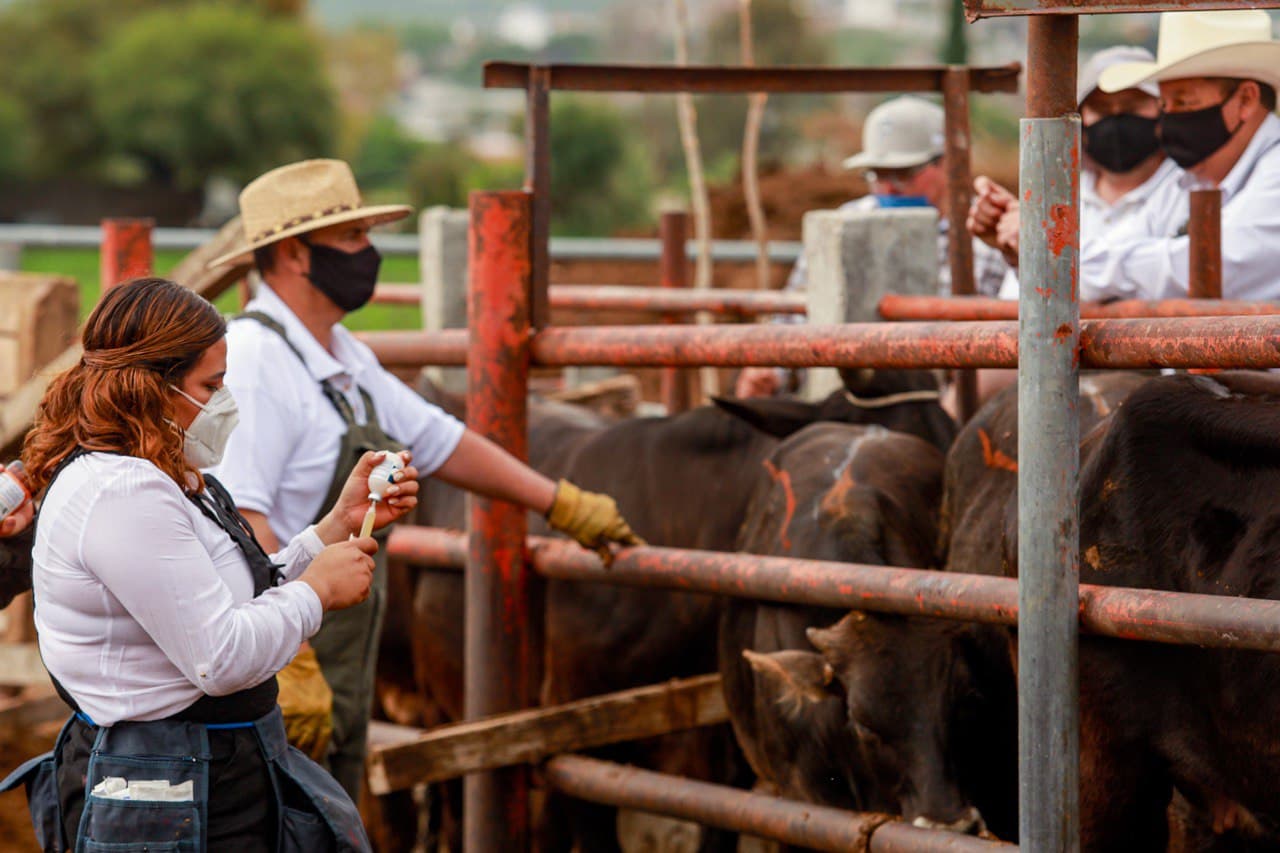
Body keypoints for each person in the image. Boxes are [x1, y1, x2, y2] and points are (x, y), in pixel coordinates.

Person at [208, 158, 642, 800]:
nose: (370, 252)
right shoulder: (255, 358)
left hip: (332, 643)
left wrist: (561, 503)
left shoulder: (343, 356)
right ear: (296, 254)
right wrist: (289, 656)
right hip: (280, 651)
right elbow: (245, 515)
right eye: (352, 237)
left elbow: (441, 440)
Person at [0, 277, 420, 851]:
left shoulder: (160, 474)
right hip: (163, 789)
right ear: (152, 388)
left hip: (208, 771)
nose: (224, 402)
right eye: (211, 385)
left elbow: (228, 595)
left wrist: (334, 527)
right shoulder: (123, 493)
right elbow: (219, 657)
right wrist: (316, 592)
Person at [972, 9, 1280, 303]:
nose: (1171, 118)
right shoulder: (1194, 183)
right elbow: (1124, 252)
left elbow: (1206, 267)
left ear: (1246, 100)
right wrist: (1035, 246)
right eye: (1165, 105)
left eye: (1184, 103)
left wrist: (1052, 245)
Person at [735, 95, 1009, 398]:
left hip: (947, 406)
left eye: (904, 174)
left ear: (947, 163)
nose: (888, 187)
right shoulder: (844, 226)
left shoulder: (989, 238)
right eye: (878, 174)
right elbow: (798, 314)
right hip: (848, 401)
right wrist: (773, 371)